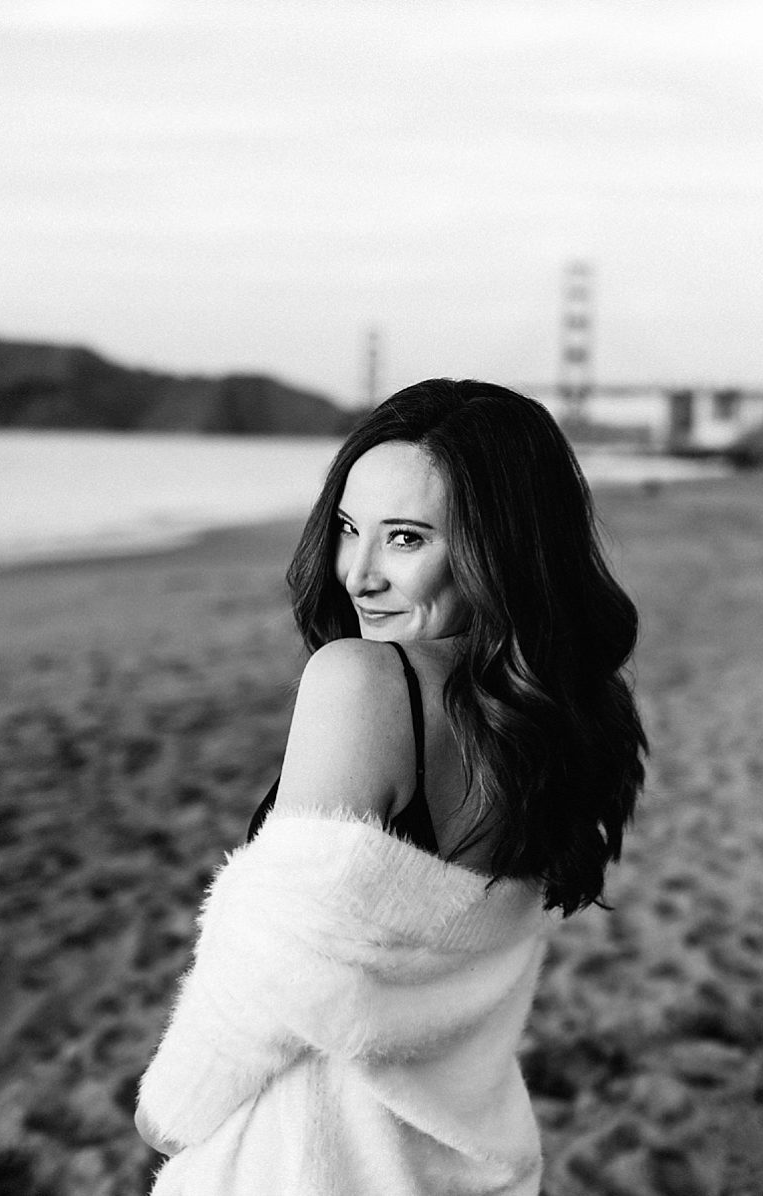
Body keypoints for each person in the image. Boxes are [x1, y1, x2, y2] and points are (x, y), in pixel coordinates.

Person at [136, 379, 647, 1194]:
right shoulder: (565, 720)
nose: (356, 574)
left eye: (405, 538)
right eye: (347, 529)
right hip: (461, 1158)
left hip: (303, 1165)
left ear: (500, 550)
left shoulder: (363, 683)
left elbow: (278, 968)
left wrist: (168, 1111)